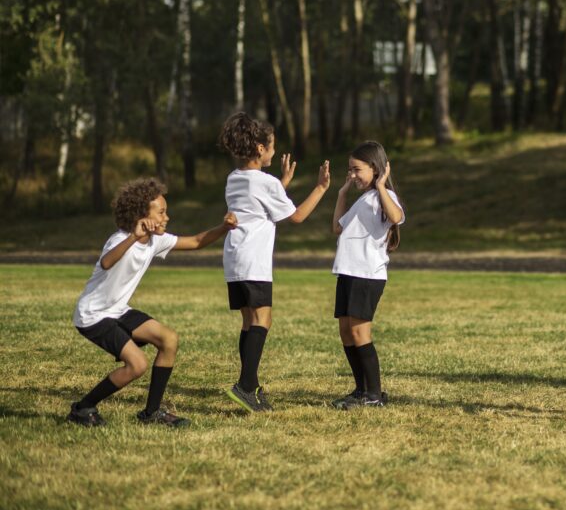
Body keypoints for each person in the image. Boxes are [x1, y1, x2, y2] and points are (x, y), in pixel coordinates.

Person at [68, 178, 237, 428]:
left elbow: (196, 241)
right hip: (93, 316)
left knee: (168, 339)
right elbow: (106, 262)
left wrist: (223, 227)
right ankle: (82, 409)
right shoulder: (120, 239)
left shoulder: (156, 240)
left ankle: (152, 413)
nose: (166, 217)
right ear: (141, 216)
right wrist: (133, 238)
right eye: (161, 212)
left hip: (118, 311)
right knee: (137, 365)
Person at [218, 112, 330, 412]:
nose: (274, 151)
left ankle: (250, 385)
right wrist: (320, 187)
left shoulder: (234, 178)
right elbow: (296, 216)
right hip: (254, 260)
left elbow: (258, 206)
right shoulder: (267, 183)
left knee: (248, 321)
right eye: (271, 147)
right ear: (259, 149)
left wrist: (281, 184)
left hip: (234, 259)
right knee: (262, 320)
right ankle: (244, 386)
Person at [329, 141, 405, 410]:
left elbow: (396, 217)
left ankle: (374, 395)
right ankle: (360, 390)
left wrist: (382, 186)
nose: (352, 174)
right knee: (346, 333)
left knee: (360, 333)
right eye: (349, 169)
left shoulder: (384, 196)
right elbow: (338, 227)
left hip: (367, 274)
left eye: (356, 169)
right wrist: (342, 193)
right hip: (348, 272)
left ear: (375, 168)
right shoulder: (362, 199)